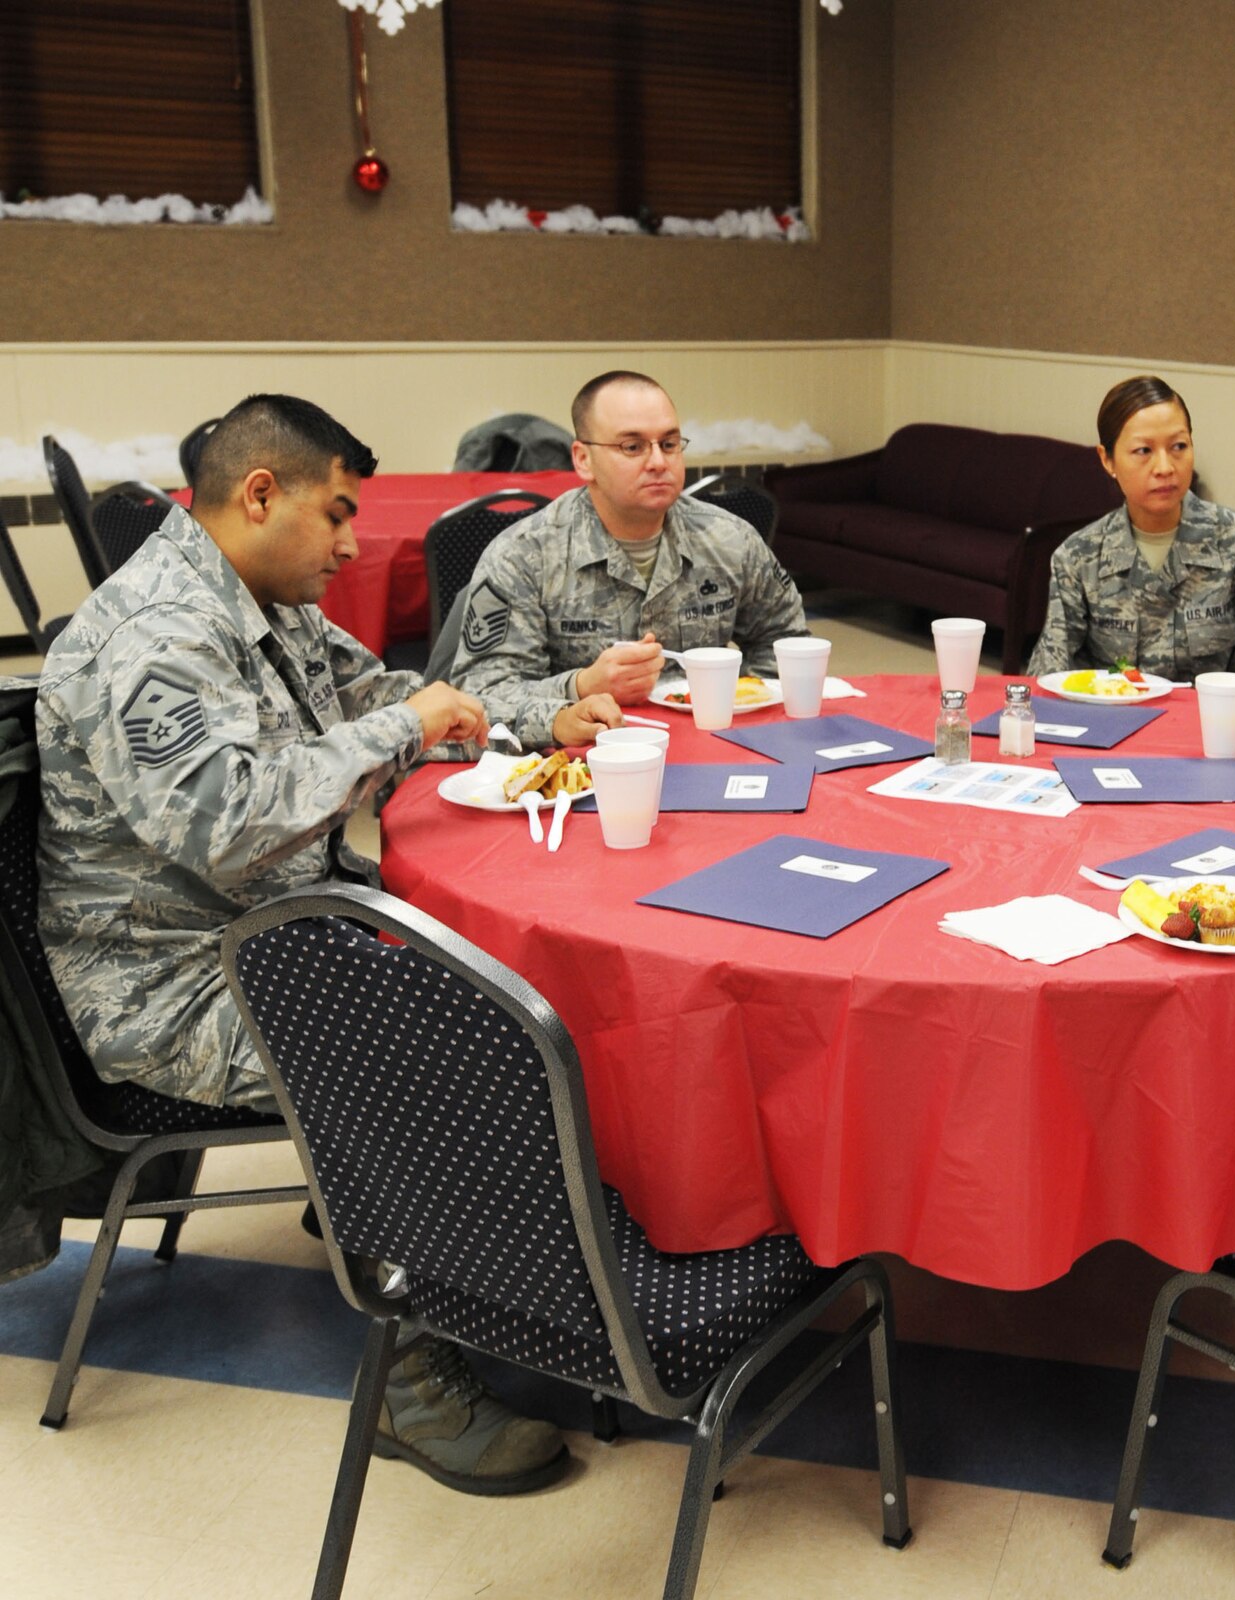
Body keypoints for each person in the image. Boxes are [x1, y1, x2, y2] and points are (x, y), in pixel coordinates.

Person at [36, 394, 573, 1495]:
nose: (348, 545)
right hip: (170, 980)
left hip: (275, 924)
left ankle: (484, 1271)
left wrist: (551, 709)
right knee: (436, 1037)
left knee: (518, 980)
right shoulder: (155, 638)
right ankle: (412, 1378)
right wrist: (403, 730)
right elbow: (229, 825)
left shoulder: (257, 599)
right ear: (259, 493)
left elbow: (389, 696)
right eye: (335, 516)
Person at [449, 369, 809, 741]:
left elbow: (788, 646)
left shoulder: (729, 540)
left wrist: (745, 707)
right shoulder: (524, 555)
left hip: (711, 743)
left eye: (669, 444)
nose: (657, 462)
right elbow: (479, 696)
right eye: (632, 447)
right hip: (578, 767)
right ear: (583, 459)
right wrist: (581, 685)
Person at [1026, 376, 1235, 703]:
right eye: (1143, 451)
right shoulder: (1077, 557)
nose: (1165, 467)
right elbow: (1049, 677)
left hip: (1213, 736)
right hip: (1109, 737)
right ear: (1107, 459)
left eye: (1178, 447)